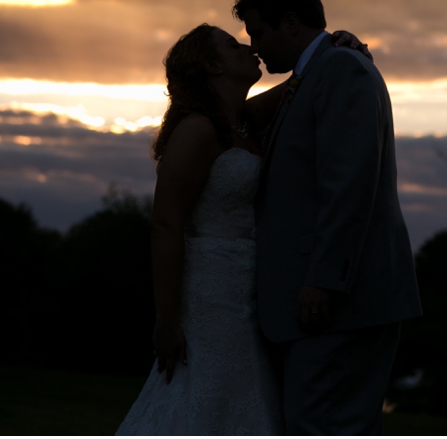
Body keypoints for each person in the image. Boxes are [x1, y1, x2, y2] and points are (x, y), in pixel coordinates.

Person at [116, 23, 369, 435]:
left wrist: (337, 47)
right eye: (233, 44)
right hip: (210, 288)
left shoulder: (244, 120)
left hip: (249, 282)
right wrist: (166, 319)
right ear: (213, 65)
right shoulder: (197, 129)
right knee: (210, 391)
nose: (249, 47)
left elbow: (302, 82)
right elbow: (166, 223)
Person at [233, 0, 422, 435]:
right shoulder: (320, 72)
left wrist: (324, 280)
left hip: (338, 305)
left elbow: (350, 183)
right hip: (317, 310)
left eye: (258, 32)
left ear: (291, 23)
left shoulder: (342, 71)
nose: (255, 47)